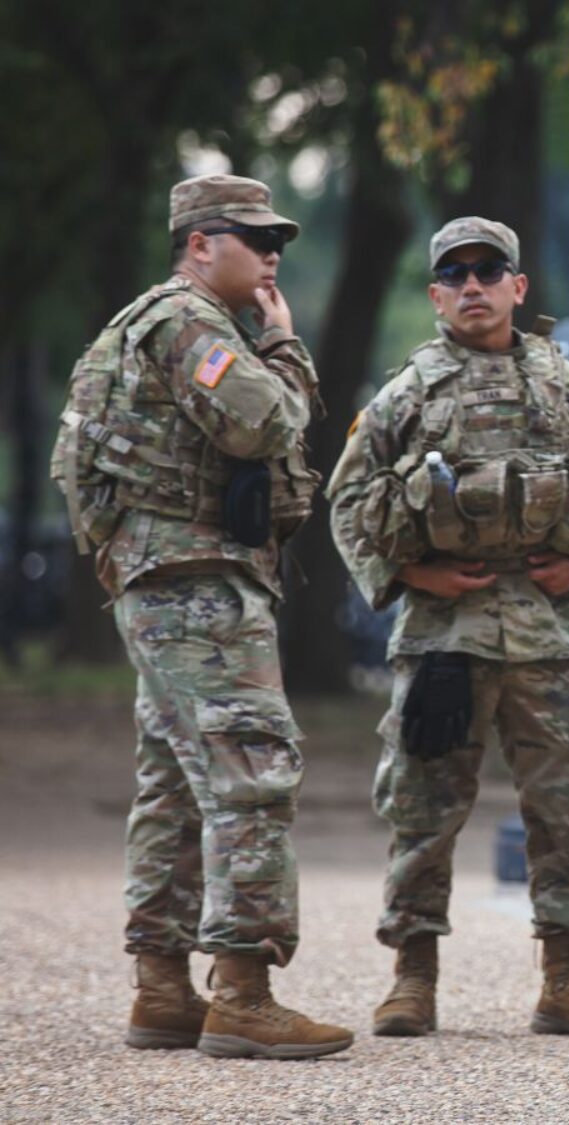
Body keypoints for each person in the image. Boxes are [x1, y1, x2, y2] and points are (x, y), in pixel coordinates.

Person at [326, 217, 569, 1040]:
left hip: (553, 635)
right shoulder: (407, 392)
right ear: (436, 294)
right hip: (444, 633)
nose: (473, 286)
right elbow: (347, 501)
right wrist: (407, 575)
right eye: (455, 274)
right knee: (424, 809)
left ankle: (567, 980)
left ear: (518, 286)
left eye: (488, 270)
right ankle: (412, 976)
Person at [49, 173, 350, 1059]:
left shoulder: (164, 322)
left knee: (176, 784)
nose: (271, 257)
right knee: (252, 766)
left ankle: (162, 988)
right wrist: (288, 347)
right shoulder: (188, 324)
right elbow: (261, 425)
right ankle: (244, 991)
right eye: (254, 239)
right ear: (198, 244)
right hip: (194, 578)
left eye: (279, 243)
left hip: (171, 577)